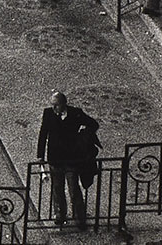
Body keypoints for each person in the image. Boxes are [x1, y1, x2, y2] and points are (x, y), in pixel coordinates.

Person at [37, 91, 98, 229]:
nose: (54, 109)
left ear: (64, 104)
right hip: (55, 158)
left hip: (71, 159)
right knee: (57, 188)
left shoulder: (75, 113)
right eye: (52, 105)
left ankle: (79, 218)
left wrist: (83, 136)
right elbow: (43, 134)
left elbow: (93, 124)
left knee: (73, 188)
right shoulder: (48, 114)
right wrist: (40, 155)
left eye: (56, 105)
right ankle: (60, 215)